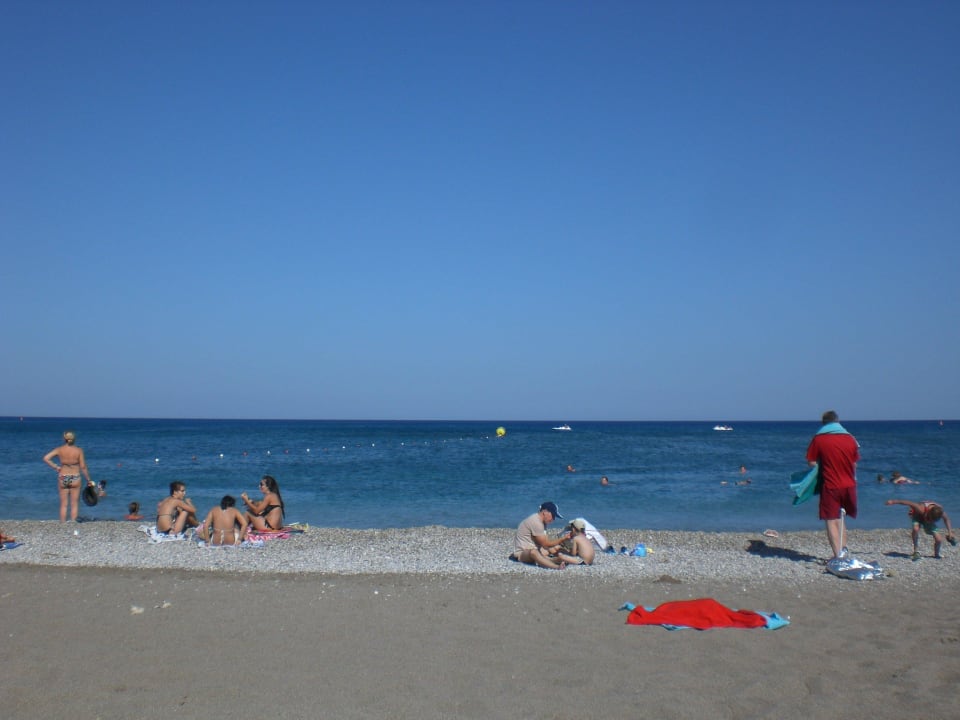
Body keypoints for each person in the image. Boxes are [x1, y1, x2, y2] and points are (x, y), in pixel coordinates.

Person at [805, 410, 860, 559]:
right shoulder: (850, 438)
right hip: (849, 485)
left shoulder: (819, 439)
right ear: (837, 421)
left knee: (831, 519)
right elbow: (854, 463)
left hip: (831, 484)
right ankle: (844, 551)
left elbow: (811, 461)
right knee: (841, 518)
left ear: (824, 423)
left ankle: (838, 556)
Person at [43, 430, 95, 522]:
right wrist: (88, 479)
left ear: (64, 439)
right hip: (75, 477)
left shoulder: (59, 450)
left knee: (64, 504)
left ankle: (63, 523)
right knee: (74, 503)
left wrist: (56, 467)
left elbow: (46, 458)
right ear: (74, 439)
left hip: (63, 477)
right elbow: (83, 466)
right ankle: (73, 523)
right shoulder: (79, 450)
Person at [885, 499, 957, 560]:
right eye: (930, 519)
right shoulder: (920, 508)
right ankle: (916, 551)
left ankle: (936, 554)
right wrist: (893, 501)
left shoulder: (940, 511)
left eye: (933, 521)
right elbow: (907, 502)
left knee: (939, 539)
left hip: (927, 516)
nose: (931, 521)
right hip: (917, 516)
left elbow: (946, 519)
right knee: (916, 529)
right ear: (929, 513)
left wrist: (950, 532)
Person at [511, 501, 571, 569]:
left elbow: (545, 543)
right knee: (534, 552)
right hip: (522, 553)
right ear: (545, 512)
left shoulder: (542, 522)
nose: (553, 519)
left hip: (535, 548)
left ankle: (556, 560)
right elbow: (545, 544)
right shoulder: (536, 522)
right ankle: (555, 566)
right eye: (553, 515)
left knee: (555, 547)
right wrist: (563, 538)